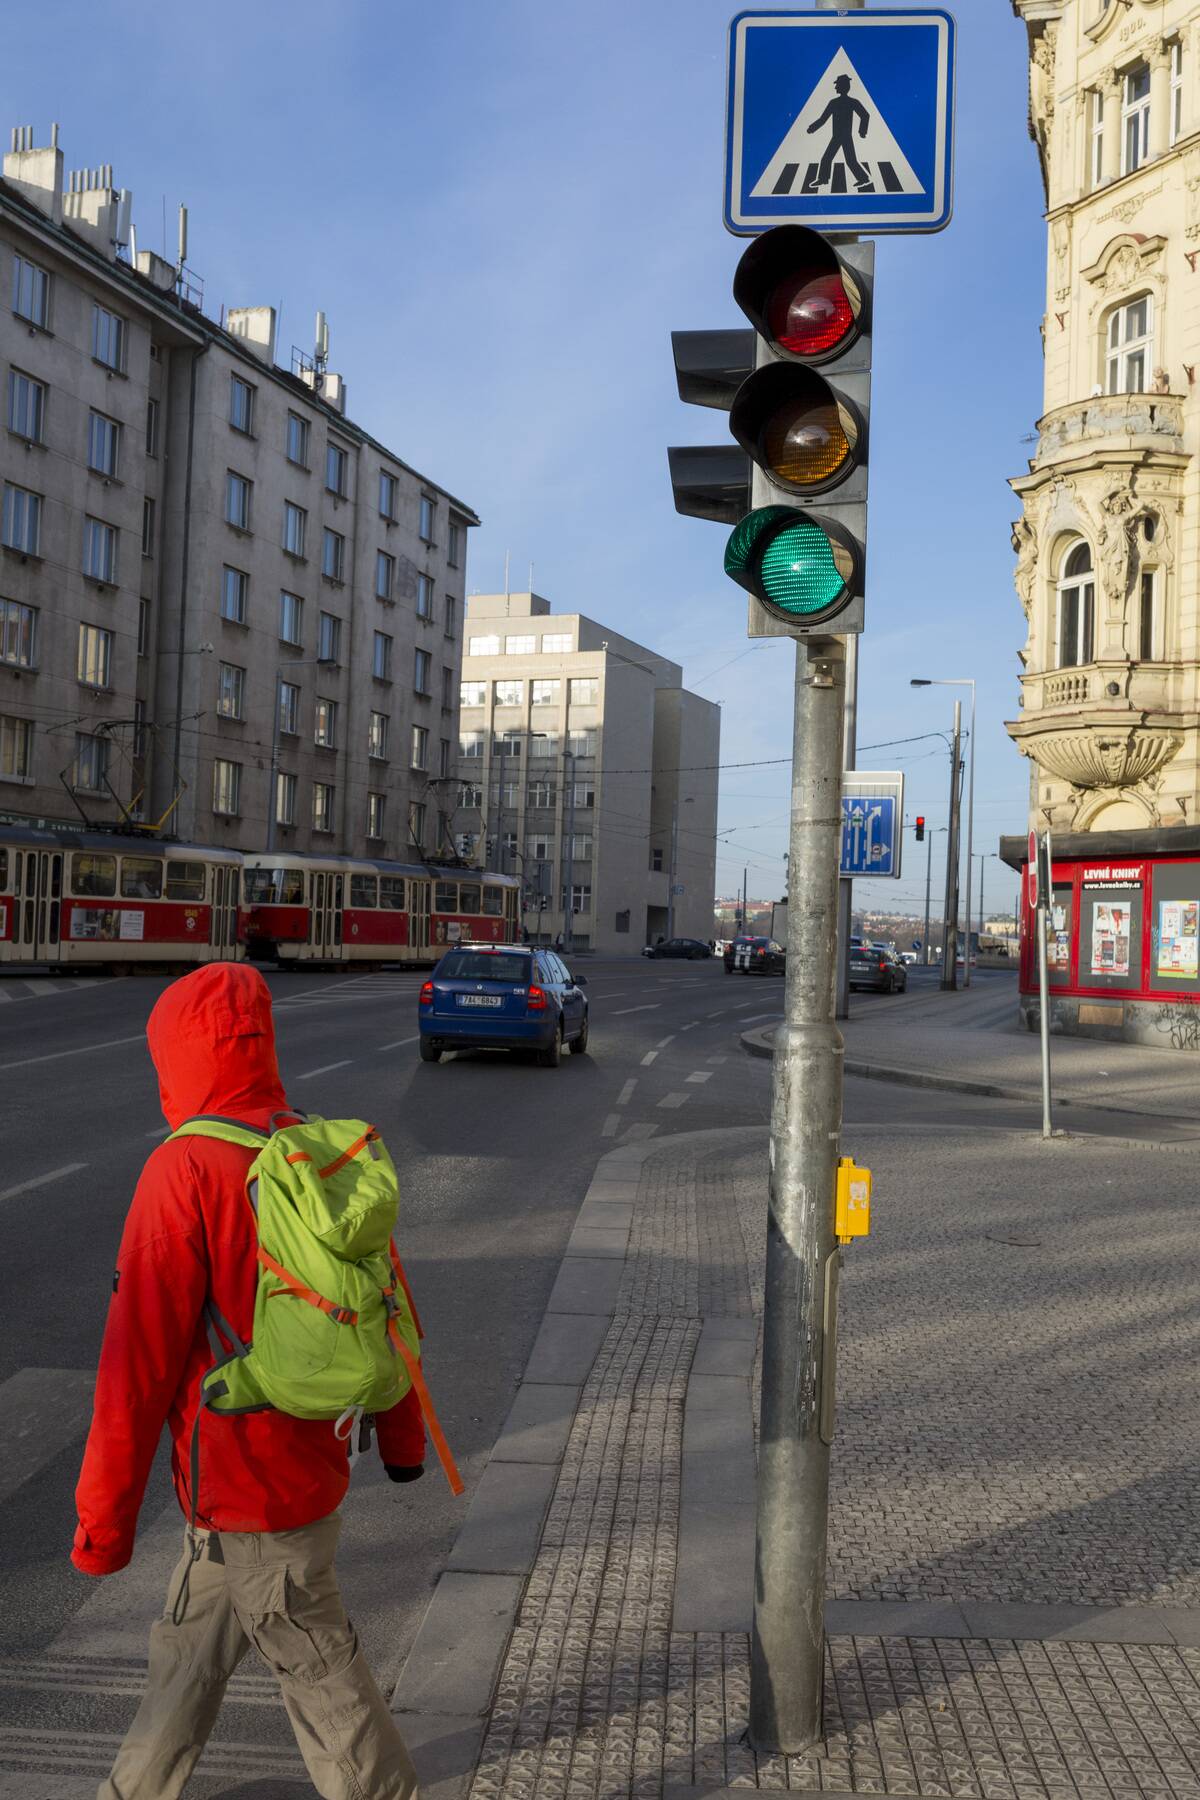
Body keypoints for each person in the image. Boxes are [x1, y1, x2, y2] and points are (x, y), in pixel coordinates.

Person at [72, 961, 425, 1800]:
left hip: (248, 1483)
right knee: (188, 1652)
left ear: (177, 1058)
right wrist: (403, 1441)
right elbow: (390, 1309)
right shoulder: (311, 1148)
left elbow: (136, 1367)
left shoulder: (183, 1168)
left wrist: (103, 1525)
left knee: (316, 1665)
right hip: (295, 1460)